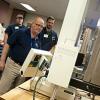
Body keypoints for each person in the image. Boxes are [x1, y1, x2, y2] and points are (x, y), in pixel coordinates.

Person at [0, 16, 44, 95]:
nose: (39, 27)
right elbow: (7, 45)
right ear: (32, 24)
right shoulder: (20, 32)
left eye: (41, 26)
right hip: (12, 65)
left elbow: (36, 57)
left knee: (15, 92)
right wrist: (2, 61)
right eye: (38, 25)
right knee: (3, 89)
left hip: (24, 69)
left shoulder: (38, 41)